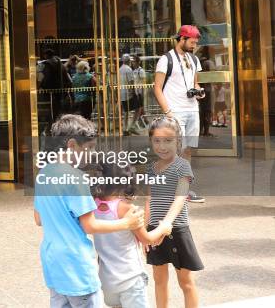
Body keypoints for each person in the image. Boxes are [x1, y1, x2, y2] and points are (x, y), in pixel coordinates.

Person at [33, 114, 145, 308]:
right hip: (76, 265)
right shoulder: (76, 178)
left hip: (53, 262)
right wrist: (127, 223)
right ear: (72, 145)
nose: (91, 153)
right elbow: (90, 225)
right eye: (89, 148)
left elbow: (38, 218)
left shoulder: (44, 173)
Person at [92, 163, 172, 308]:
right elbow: (147, 239)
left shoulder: (93, 205)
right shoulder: (127, 209)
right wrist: (164, 228)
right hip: (130, 279)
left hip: (107, 280)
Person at [146, 116, 203, 308]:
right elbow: (149, 199)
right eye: (157, 140)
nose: (162, 146)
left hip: (176, 229)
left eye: (168, 141)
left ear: (178, 141)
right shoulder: (151, 169)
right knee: (159, 280)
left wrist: (166, 224)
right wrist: (145, 233)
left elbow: (180, 198)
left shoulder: (183, 166)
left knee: (185, 281)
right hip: (154, 230)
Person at [153, 25, 206, 203]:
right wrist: (168, 112)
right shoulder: (165, 59)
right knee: (176, 150)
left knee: (188, 150)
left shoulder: (194, 59)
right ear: (182, 39)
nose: (194, 45)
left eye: (196, 42)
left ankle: (184, 191)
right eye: (192, 42)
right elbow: (157, 88)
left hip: (192, 109)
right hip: (175, 111)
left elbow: (195, 83)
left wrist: (199, 91)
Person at [119, 54, 135, 135]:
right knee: (127, 112)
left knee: (126, 112)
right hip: (127, 93)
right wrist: (133, 92)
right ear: (128, 60)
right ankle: (126, 129)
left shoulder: (120, 69)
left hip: (121, 93)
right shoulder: (128, 69)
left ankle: (126, 128)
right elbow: (131, 82)